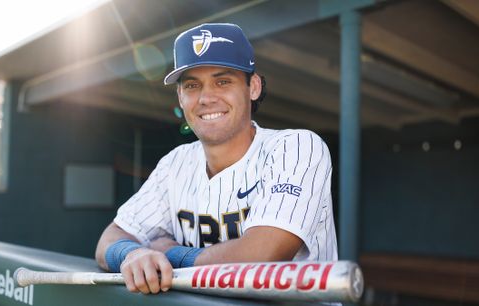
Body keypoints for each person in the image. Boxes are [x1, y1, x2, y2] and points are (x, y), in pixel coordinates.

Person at [95, 23, 337, 295]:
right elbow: (110, 238)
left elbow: (263, 255)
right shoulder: (175, 163)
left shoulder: (296, 147)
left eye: (223, 81)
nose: (206, 98)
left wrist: (172, 255)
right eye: (192, 85)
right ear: (180, 96)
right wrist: (133, 254)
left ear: (253, 87)